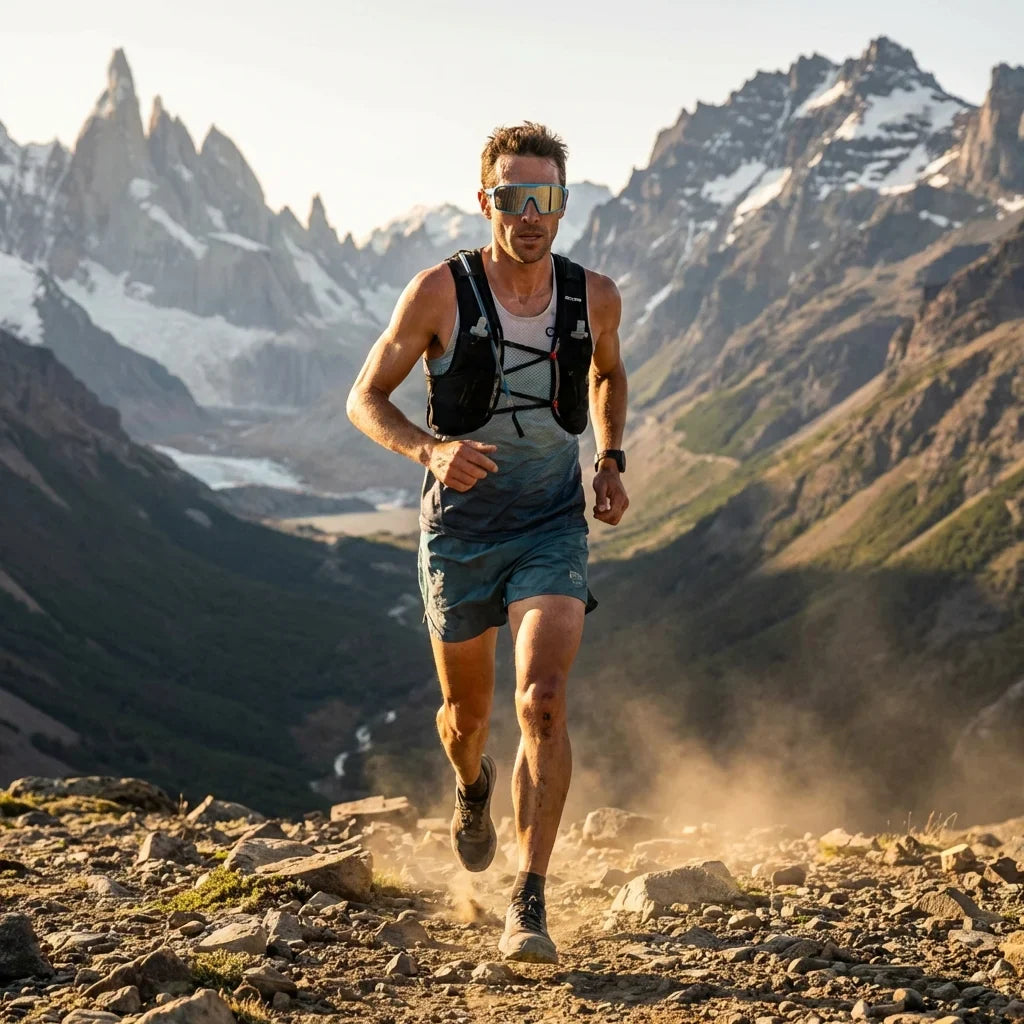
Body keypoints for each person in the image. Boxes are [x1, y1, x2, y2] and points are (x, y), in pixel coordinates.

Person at [346, 122, 629, 964]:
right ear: (487, 201)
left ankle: (528, 898)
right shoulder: (439, 291)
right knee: (466, 720)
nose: (529, 213)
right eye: (513, 197)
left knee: (542, 700)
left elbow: (607, 372)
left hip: (550, 524)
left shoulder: (595, 295)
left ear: (563, 205)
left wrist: (609, 457)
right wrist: (428, 448)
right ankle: (470, 787)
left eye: (544, 198)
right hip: (460, 531)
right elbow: (366, 398)